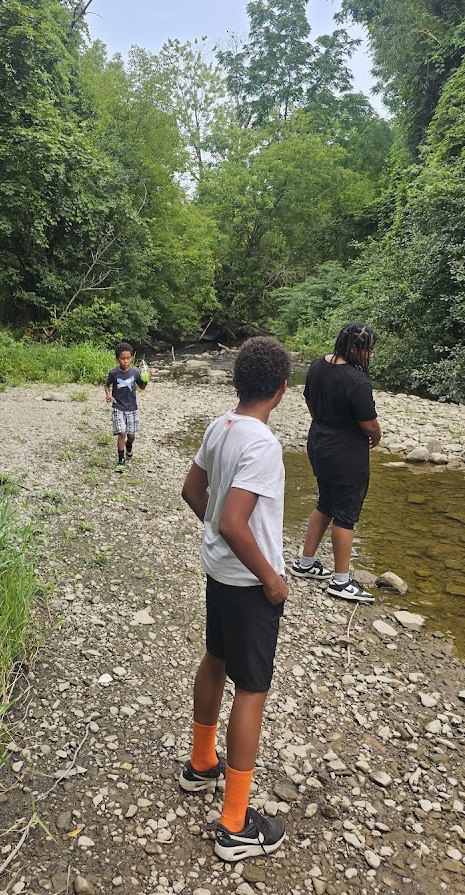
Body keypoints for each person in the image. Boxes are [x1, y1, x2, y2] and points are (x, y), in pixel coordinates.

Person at [179, 336, 291, 862]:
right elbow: (233, 519)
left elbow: (193, 492)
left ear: (237, 380)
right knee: (252, 689)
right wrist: (271, 578)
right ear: (283, 390)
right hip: (249, 585)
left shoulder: (220, 425)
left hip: (220, 574)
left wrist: (219, 540)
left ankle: (202, 764)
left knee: (215, 660)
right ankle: (235, 824)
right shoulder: (263, 444)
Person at [290, 322, 381, 604]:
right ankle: (340, 581)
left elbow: (309, 401)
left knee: (325, 502)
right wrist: (376, 437)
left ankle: (305, 563)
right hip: (346, 456)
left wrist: (325, 422)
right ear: (355, 349)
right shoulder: (357, 381)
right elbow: (368, 423)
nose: (370, 356)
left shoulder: (318, 365)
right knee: (345, 515)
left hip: (319, 445)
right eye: (368, 351)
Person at [104, 341, 148, 472]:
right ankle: (120, 460)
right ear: (117, 359)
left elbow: (142, 387)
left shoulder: (135, 372)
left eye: (128, 358)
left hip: (132, 408)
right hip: (118, 406)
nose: (125, 361)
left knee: (131, 435)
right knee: (121, 433)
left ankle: (129, 447)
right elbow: (106, 385)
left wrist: (146, 379)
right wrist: (108, 395)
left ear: (132, 358)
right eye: (122, 358)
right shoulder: (114, 373)